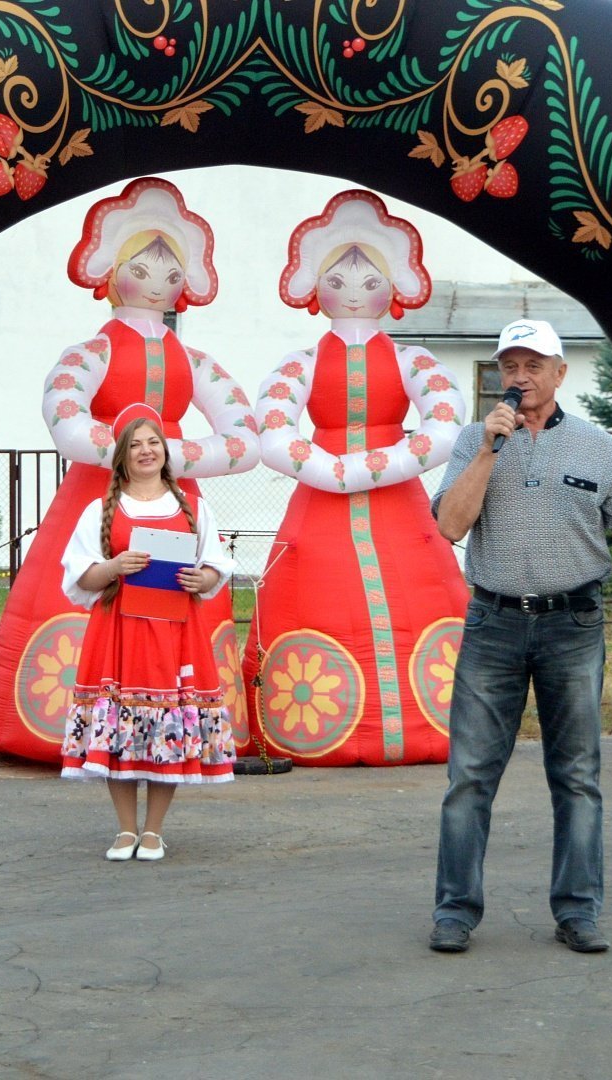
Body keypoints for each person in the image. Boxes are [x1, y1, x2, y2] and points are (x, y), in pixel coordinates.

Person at [0, 177, 258, 764]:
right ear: (111, 271)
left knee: (172, 600)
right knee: (101, 589)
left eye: (171, 272)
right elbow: (66, 415)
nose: (158, 283)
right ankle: (81, 727)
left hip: (170, 501)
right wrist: (153, 450)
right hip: (99, 499)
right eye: (142, 268)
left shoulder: (192, 359)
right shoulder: (91, 352)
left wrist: (157, 453)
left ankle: (174, 727)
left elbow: (246, 437)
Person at [428, 318, 612, 955]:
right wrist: (486, 452)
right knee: (470, 777)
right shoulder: (475, 439)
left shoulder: (598, 449)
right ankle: (454, 912)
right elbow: (450, 526)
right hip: (493, 624)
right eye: (510, 366)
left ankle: (578, 911)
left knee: (578, 776)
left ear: (561, 374)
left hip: (573, 627)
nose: (520, 378)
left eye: (534, 366)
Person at [241, 189, 469, 767]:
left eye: (371, 282)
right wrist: (331, 469)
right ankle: (318, 729)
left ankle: (431, 724)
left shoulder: (414, 359)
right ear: (315, 291)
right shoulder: (301, 362)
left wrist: (362, 467)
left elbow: (445, 421)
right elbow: (270, 428)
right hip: (323, 503)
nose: (354, 292)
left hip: (394, 502)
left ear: (394, 289)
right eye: (338, 282)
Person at [59, 402, 239, 861]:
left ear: (165, 451)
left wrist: (205, 580)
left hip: (177, 632)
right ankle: (124, 830)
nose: (146, 451)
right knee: (120, 726)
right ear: (122, 457)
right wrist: (114, 567)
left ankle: (154, 831)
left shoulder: (195, 508)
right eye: (135, 445)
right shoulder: (99, 510)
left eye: (153, 442)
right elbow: (79, 578)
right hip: (119, 630)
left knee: (168, 727)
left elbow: (215, 566)